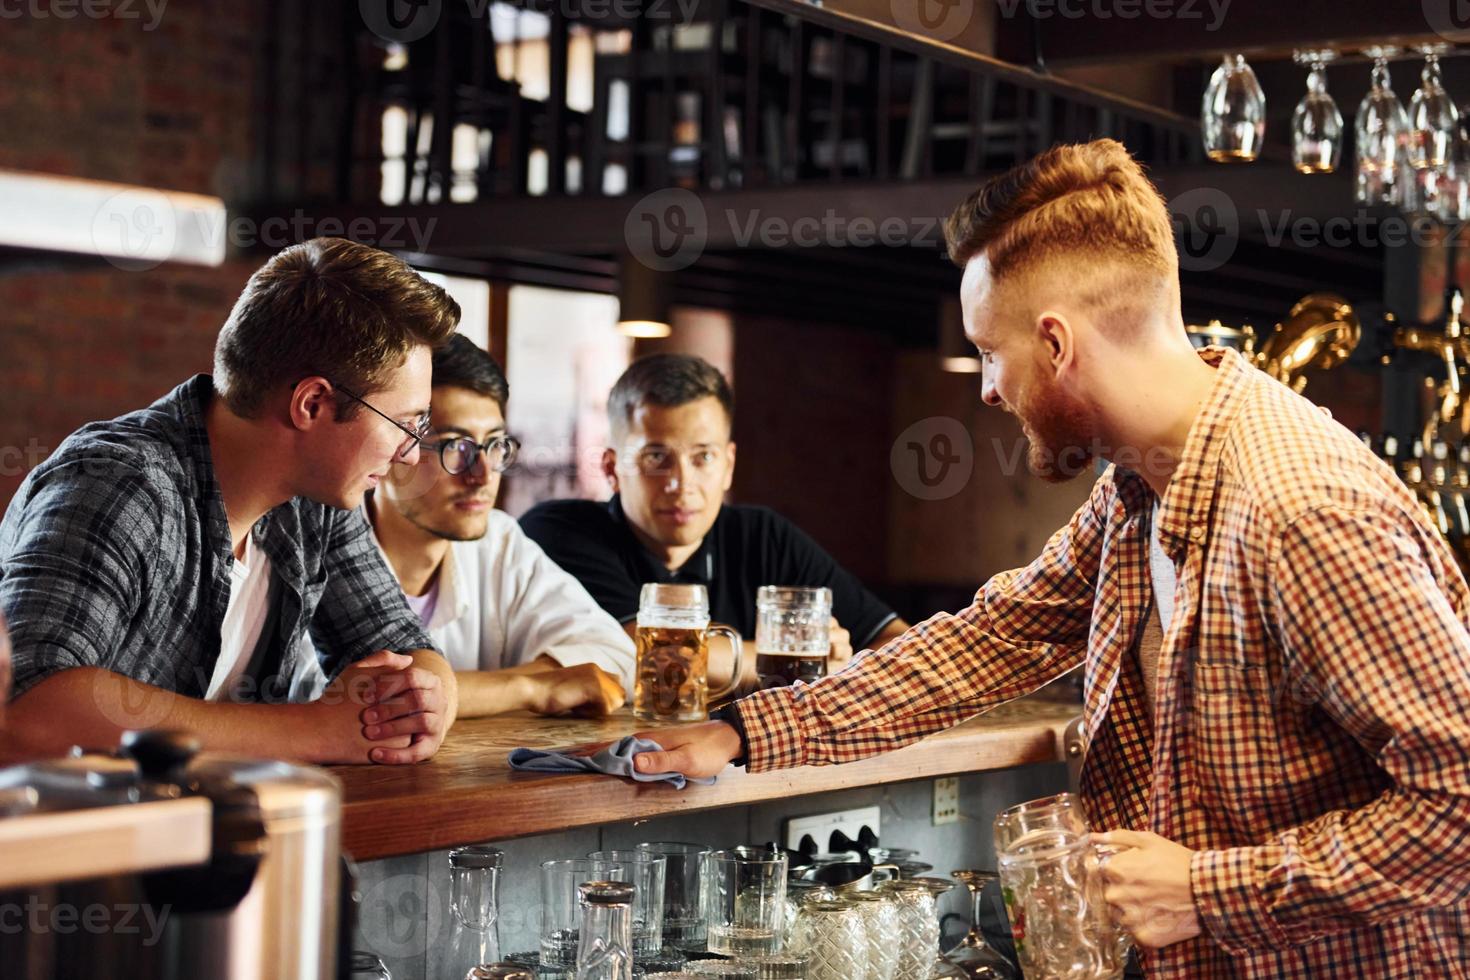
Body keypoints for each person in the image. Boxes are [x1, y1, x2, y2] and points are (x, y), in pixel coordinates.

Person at [630, 140, 1470, 977]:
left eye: (992, 353)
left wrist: (1209, 891)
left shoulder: (1298, 508)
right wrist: (742, 730)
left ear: (1059, 344)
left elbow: (1459, 805)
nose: (988, 389)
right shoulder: (1138, 490)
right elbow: (987, 640)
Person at [0, 238, 460, 766]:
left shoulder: (317, 499)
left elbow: (405, 649)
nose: (408, 454)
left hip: (216, 831)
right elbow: (28, 712)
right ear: (312, 403)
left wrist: (428, 699)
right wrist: (315, 730)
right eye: (404, 424)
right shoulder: (116, 484)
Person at [520, 353, 909, 684]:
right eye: (656, 458)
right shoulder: (559, 531)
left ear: (728, 465)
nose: (681, 483)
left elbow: (895, 642)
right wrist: (799, 657)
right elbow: (649, 653)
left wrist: (845, 668)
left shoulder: (763, 536)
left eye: (702, 457)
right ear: (611, 469)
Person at [356, 334, 634, 717]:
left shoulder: (497, 542)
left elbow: (617, 656)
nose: (483, 475)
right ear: (391, 446)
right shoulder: (323, 548)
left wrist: (508, 688)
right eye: (455, 446)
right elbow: (349, 704)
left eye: (495, 445)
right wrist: (532, 688)